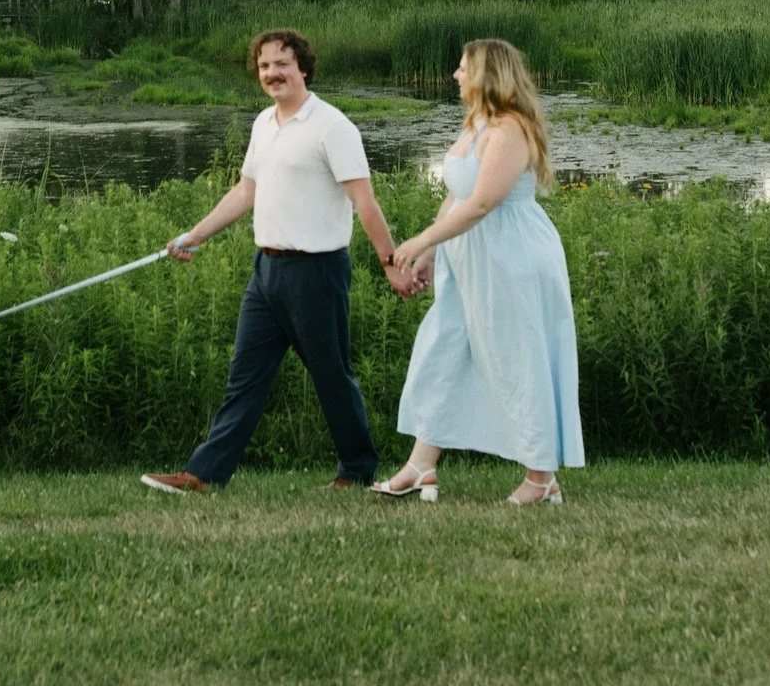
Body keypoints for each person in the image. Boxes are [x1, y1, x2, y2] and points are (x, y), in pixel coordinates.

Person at [139, 28, 415, 495]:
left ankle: (359, 468)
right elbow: (246, 191)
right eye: (265, 65)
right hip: (266, 272)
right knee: (244, 378)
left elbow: (365, 204)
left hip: (317, 273)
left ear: (303, 67)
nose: (272, 73)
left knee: (332, 376)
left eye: (282, 64)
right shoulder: (264, 124)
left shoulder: (333, 127)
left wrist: (390, 262)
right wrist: (195, 234)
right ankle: (204, 474)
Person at [374, 37, 583, 505]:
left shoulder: (510, 129)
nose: (455, 75)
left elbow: (486, 202)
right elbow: (458, 194)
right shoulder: (476, 124)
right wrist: (432, 249)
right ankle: (420, 465)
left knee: (516, 355)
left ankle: (541, 476)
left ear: (488, 73)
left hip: (511, 255)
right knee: (445, 346)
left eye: (463, 68)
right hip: (468, 256)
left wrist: (424, 240)